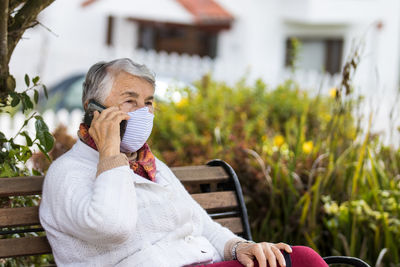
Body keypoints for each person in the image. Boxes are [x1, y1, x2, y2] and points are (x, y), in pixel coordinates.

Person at [39, 58, 329, 267]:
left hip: (203, 262)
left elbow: (202, 225)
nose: (144, 113)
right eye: (130, 101)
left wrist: (241, 247)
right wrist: (110, 153)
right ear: (94, 111)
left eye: (148, 102)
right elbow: (114, 226)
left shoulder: (152, 166)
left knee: (300, 259)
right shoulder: (67, 173)